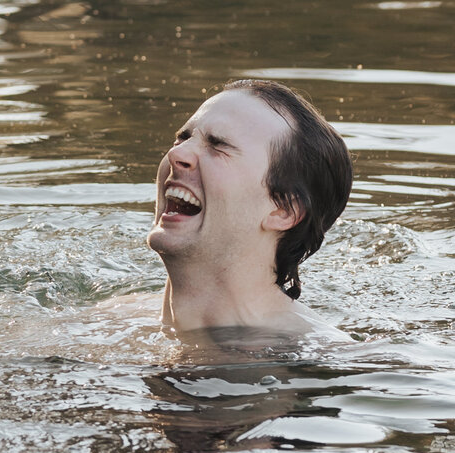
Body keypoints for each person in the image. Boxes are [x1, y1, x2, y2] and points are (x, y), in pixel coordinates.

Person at [148, 77, 351, 339]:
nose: (177, 155)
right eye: (183, 137)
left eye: (218, 144)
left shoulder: (317, 362)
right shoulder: (107, 320)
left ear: (283, 211)